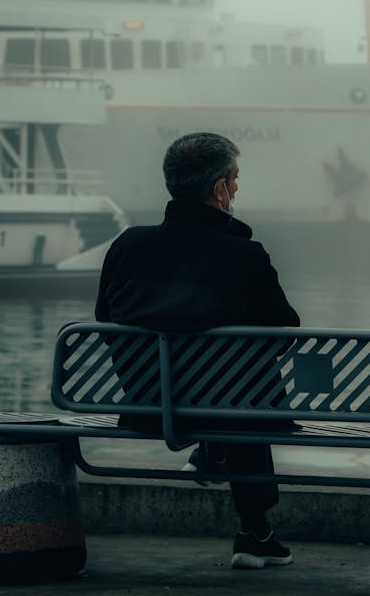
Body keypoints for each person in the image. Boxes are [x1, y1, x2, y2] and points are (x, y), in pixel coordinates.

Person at [95, 131, 299, 570]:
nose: (238, 187)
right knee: (242, 383)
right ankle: (253, 529)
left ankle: (215, 457)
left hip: (148, 403)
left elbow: (105, 322)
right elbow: (284, 334)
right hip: (232, 410)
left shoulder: (127, 246)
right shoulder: (243, 254)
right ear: (221, 188)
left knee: (227, 379)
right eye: (236, 178)